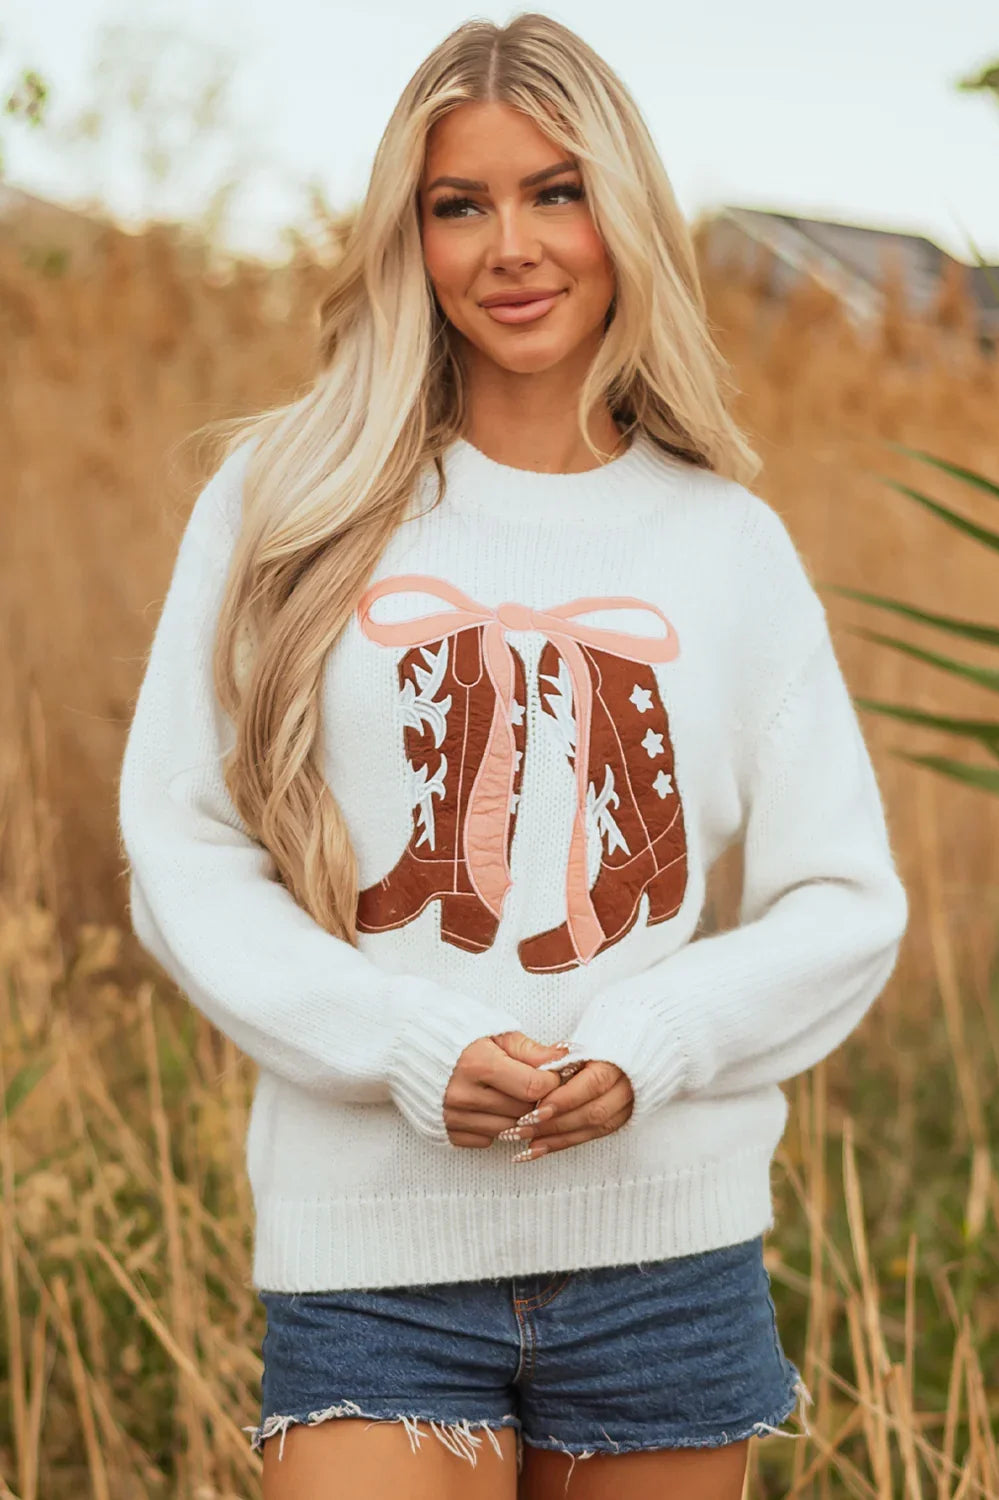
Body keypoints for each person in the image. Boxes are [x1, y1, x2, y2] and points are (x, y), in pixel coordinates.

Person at [116, 11, 909, 1499]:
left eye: (556, 191)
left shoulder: (726, 546)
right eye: (456, 205)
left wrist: (649, 1044)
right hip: (374, 1256)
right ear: (405, 238)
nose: (511, 248)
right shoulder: (285, 501)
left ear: (623, 212)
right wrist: (406, 1049)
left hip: (665, 1259)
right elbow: (182, 849)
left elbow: (840, 898)